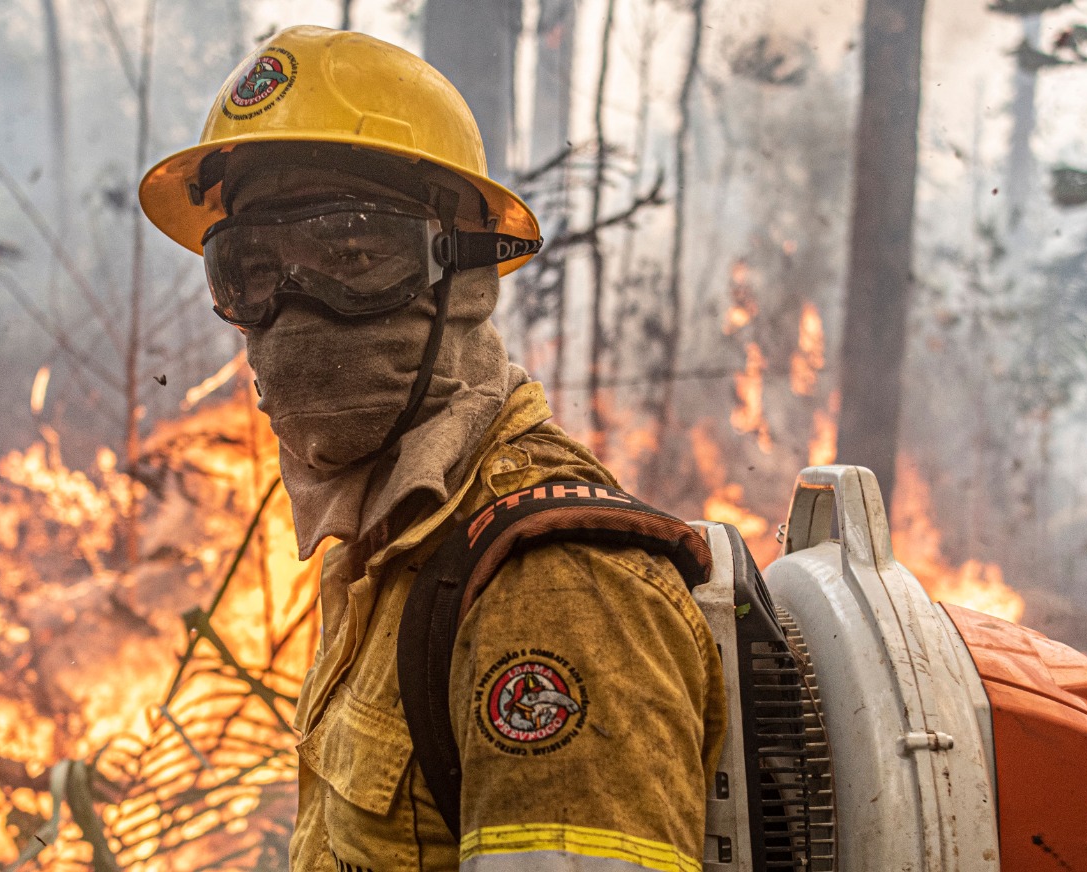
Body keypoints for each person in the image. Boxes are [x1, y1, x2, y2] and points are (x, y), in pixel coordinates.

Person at [138, 26, 724, 872]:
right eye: (252, 270)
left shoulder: (552, 587)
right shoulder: (389, 553)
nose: (295, 308)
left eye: (353, 254)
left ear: (469, 278)